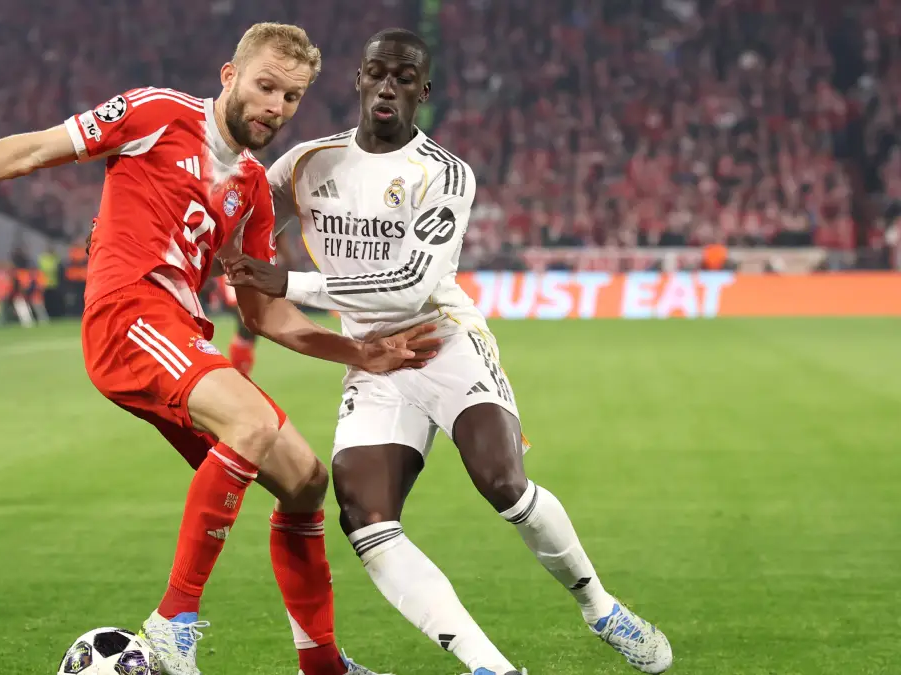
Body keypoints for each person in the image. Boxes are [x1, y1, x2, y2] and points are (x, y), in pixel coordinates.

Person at [0, 23, 437, 675]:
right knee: (253, 424)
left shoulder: (253, 189)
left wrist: (359, 353)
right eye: (265, 87)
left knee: (305, 481)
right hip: (127, 316)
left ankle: (322, 665)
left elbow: (264, 314)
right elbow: (38, 149)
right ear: (230, 76)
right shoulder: (157, 114)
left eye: (291, 97)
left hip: (181, 335)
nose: (275, 107)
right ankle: (173, 624)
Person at [226, 29, 673, 675]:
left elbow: (410, 282)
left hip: (443, 341)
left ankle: (600, 607)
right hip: (372, 357)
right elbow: (238, 214)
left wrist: (288, 283)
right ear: (359, 80)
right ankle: (490, 666)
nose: (387, 86)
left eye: (404, 77)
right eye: (377, 72)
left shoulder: (445, 174)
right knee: (365, 518)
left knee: (503, 483)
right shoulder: (306, 163)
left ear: (423, 92)